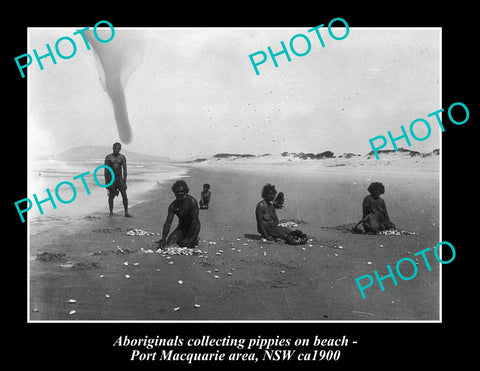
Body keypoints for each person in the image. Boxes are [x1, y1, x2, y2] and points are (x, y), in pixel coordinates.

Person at [160, 180, 201, 248]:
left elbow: (194, 221)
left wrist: (188, 238)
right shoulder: (173, 206)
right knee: (168, 244)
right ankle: (183, 238)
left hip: (194, 226)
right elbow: (168, 223)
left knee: (186, 246)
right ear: (174, 192)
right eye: (177, 192)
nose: (179, 194)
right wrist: (163, 239)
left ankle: (195, 240)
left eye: (182, 192)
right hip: (182, 227)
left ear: (185, 191)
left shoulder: (192, 202)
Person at [104, 142, 132, 217]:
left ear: (120, 149)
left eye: (118, 148)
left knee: (124, 195)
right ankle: (111, 212)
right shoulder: (108, 157)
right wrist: (107, 183)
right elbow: (106, 171)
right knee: (111, 196)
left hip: (119, 178)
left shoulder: (122, 157)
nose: (117, 149)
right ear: (113, 148)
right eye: (115, 148)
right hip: (112, 179)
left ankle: (126, 212)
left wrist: (125, 182)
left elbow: (125, 170)